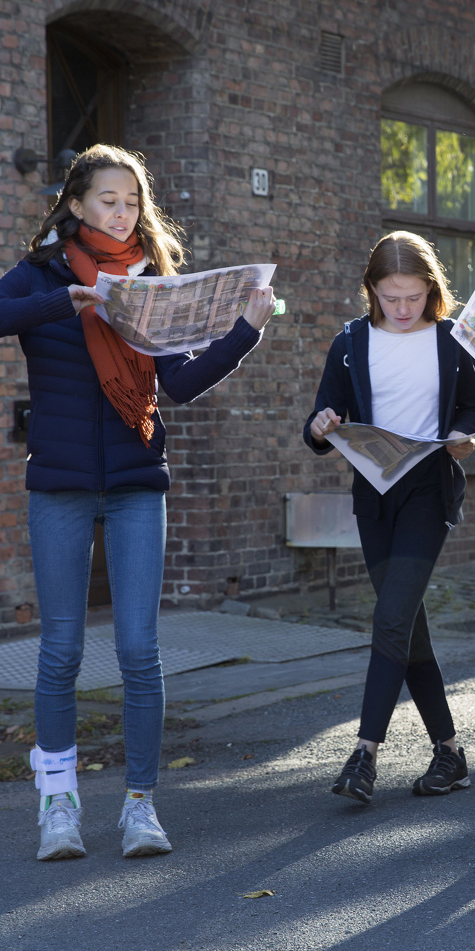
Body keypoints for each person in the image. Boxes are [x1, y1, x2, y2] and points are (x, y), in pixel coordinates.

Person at [0, 144, 275, 859]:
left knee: (138, 651)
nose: (122, 214)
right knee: (58, 652)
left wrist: (244, 331)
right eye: (108, 201)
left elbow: (178, 386)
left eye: (131, 202)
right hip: (58, 482)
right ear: (76, 204)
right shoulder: (42, 274)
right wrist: (64, 300)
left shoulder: (154, 283)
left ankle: (140, 806)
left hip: (134, 483)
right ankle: (58, 805)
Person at [304, 230, 475, 805]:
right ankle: (451, 754)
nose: (403, 309)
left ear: (431, 289)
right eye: (391, 297)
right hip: (374, 497)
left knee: (390, 620)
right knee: (406, 626)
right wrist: (321, 426)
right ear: (372, 291)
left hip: (428, 494)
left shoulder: (452, 340)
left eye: (413, 297)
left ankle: (364, 755)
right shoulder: (350, 342)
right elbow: (321, 415)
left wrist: (465, 437)